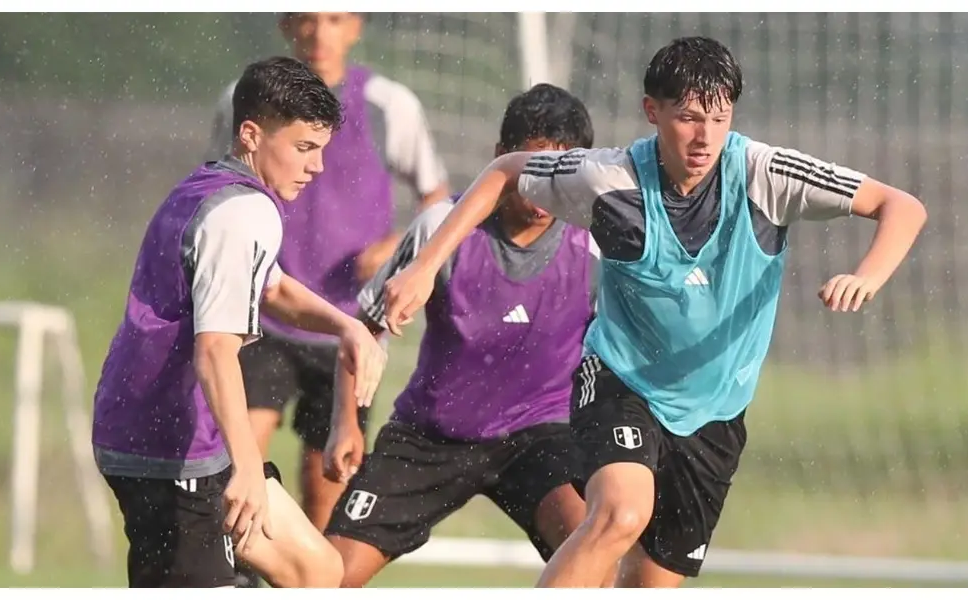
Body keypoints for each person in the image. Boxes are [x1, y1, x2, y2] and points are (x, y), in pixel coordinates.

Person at [381, 37, 928, 588]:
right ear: (653, 111)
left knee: (649, 585)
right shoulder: (609, 179)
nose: (704, 136)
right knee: (621, 513)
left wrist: (867, 276)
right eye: (688, 117)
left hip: (716, 408)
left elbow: (900, 206)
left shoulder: (767, 175)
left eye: (719, 117)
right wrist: (426, 266)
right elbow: (504, 171)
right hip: (622, 379)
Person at [91, 56, 388, 588]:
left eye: (321, 149)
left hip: (170, 437)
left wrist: (348, 326)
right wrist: (249, 467)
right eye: (303, 148)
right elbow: (214, 351)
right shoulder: (243, 214)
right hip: (166, 453)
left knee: (316, 570)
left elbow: (269, 285)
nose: (317, 167)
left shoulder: (211, 188)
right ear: (251, 134)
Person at [319, 84, 616, 588]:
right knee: (325, 579)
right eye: (535, 167)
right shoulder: (441, 228)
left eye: (562, 170)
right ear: (501, 158)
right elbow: (367, 326)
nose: (546, 187)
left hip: (538, 437)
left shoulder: (596, 250)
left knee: (595, 566)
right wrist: (345, 422)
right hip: (430, 435)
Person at [205, 12, 451, 542]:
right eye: (308, 19)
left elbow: (436, 199)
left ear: (356, 26)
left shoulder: (391, 105)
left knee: (326, 486)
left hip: (351, 322)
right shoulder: (240, 100)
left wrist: (395, 244)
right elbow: (216, 186)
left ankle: (307, 580)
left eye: (335, 19)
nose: (320, 34)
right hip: (265, 314)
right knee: (240, 455)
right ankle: (234, 571)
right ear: (284, 24)